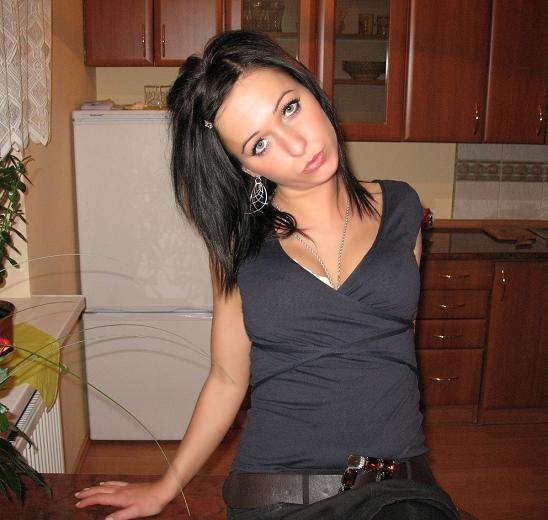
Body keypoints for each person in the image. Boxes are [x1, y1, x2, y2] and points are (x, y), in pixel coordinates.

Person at [74, 31, 459, 520]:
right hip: (277, 492)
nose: (297, 145)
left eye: (289, 108)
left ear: (311, 89)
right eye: (260, 144)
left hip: (396, 490)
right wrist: (164, 488)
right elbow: (226, 377)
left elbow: (396, 346)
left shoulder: (403, 208)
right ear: (246, 168)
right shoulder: (241, 245)